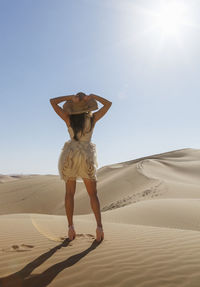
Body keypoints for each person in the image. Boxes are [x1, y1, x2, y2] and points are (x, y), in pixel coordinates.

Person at [49, 92, 112, 242]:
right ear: (87, 106)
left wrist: (69, 97)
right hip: (86, 156)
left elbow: (53, 102)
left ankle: (70, 228)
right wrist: (94, 96)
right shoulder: (92, 119)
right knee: (93, 194)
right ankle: (99, 228)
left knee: (69, 193)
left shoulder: (68, 118)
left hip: (70, 155)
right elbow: (108, 104)